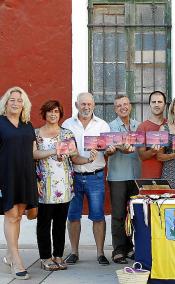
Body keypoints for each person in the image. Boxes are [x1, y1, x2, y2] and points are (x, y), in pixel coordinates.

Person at [33, 100, 96, 271]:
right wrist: (54, 151)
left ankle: (58, 256)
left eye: (56, 111)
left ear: (60, 114)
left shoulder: (67, 134)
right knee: (44, 223)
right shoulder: (36, 133)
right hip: (45, 185)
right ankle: (45, 257)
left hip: (65, 185)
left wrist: (89, 159)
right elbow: (34, 154)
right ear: (44, 114)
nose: (53, 114)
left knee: (60, 223)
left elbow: (74, 158)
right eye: (50, 111)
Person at [62, 92, 111, 266]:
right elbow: (64, 148)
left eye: (89, 104)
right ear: (76, 105)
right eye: (83, 104)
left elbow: (109, 149)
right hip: (73, 176)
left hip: (95, 176)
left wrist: (107, 149)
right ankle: (74, 252)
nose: (86, 107)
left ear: (94, 105)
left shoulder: (102, 125)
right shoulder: (67, 124)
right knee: (73, 216)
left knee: (98, 216)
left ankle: (100, 253)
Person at [0, 87, 38, 280]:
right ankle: (16, 258)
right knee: (11, 214)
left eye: (19, 100)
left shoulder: (27, 125)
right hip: (6, 175)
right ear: (5, 103)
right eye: (12, 100)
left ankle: (8, 254)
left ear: (24, 104)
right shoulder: (0, 123)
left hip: (25, 175)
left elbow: (34, 153)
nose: (15, 103)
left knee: (18, 216)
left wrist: (54, 152)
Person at [106, 95, 140, 264]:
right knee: (119, 214)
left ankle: (131, 247)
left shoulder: (138, 126)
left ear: (130, 106)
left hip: (136, 176)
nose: (122, 107)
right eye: (119, 105)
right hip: (118, 176)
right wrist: (119, 147)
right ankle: (118, 249)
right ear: (115, 109)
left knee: (134, 214)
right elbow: (108, 149)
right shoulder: (110, 127)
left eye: (125, 104)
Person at [137, 91, 167, 178]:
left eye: (160, 102)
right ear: (149, 104)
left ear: (164, 105)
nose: (156, 105)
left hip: (170, 174)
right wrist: (152, 151)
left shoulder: (170, 125)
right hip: (150, 174)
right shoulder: (142, 127)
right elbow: (141, 156)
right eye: (154, 102)